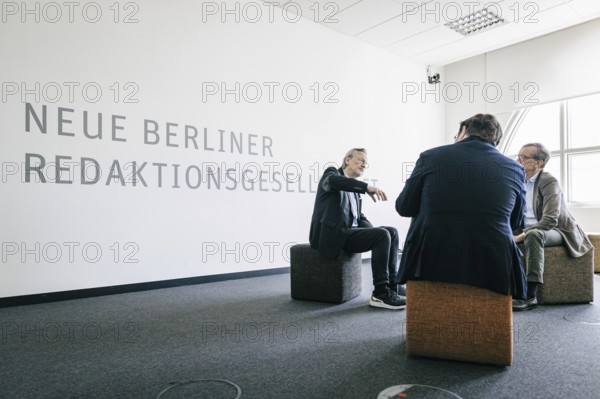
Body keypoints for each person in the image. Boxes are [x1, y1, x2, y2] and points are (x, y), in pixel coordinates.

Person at [395, 114, 527, 300]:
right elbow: (515, 222)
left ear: (463, 130)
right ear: (496, 139)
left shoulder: (430, 156)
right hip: (492, 259)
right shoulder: (515, 168)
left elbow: (404, 207)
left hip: (431, 255)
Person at [309, 148, 405, 310]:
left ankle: (393, 285)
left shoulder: (354, 193)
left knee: (390, 231)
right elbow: (334, 183)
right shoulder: (332, 174)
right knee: (382, 234)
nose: (364, 165)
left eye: (366, 164)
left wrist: (381, 237)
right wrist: (366, 187)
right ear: (347, 160)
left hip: (348, 233)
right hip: (332, 235)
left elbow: (359, 218)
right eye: (360, 160)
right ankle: (380, 294)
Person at [512, 143, 593, 310]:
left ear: (538, 163)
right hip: (529, 228)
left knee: (534, 235)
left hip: (556, 230)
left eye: (523, 158)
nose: (518, 161)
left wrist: (521, 236)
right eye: (518, 157)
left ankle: (530, 296)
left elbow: (550, 220)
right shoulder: (519, 181)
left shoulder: (548, 181)